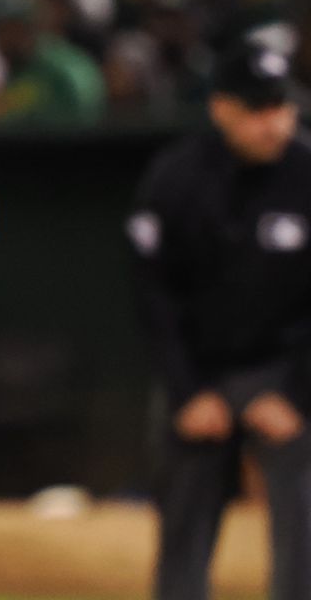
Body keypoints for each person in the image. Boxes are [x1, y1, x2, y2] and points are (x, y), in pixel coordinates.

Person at [127, 40, 311, 600]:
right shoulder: (177, 178)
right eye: (256, 108)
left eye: (281, 105)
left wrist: (297, 394)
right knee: (182, 531)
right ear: (221, 108)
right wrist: (189, 392)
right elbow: (154, 296)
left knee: (304, 528)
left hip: (285, 373)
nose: (272, 122)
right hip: (198, 372)